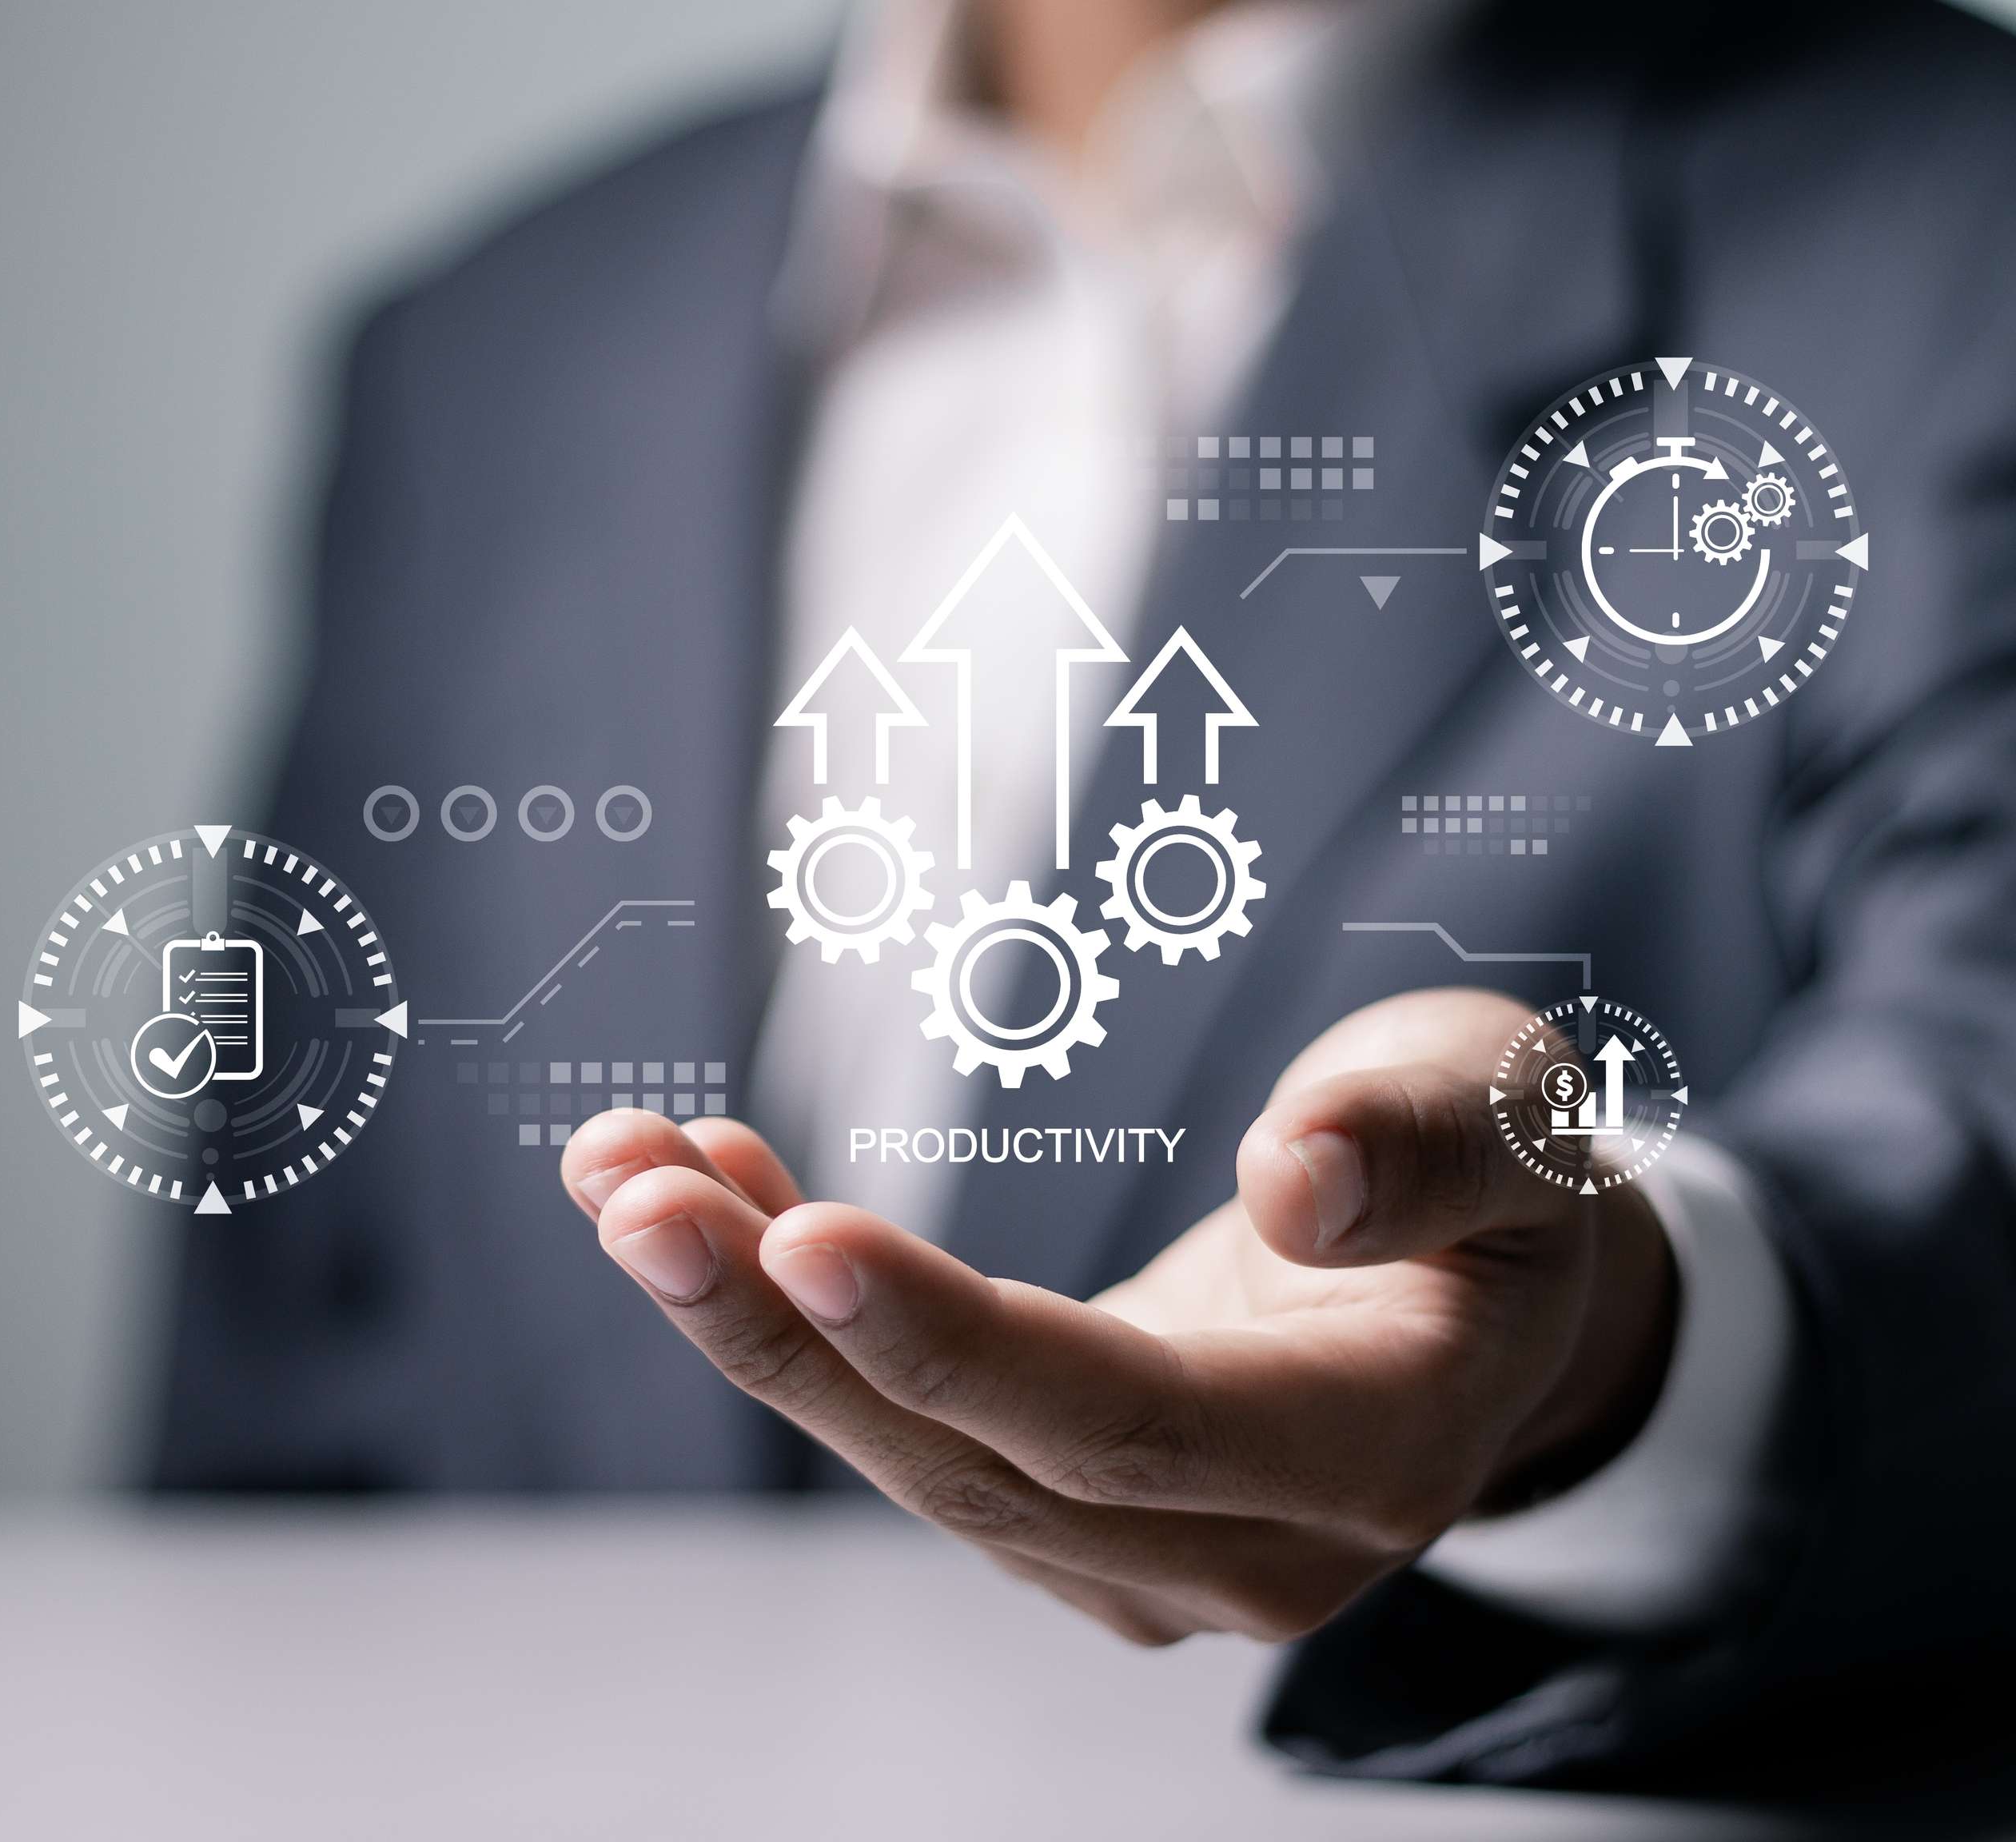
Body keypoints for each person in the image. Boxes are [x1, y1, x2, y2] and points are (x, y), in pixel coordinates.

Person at [150, 0, 2016, 1792]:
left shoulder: (1949, 225)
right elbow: (277, 1417)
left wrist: (1621, 1344)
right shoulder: (488, 358)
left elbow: (1976, 1088)